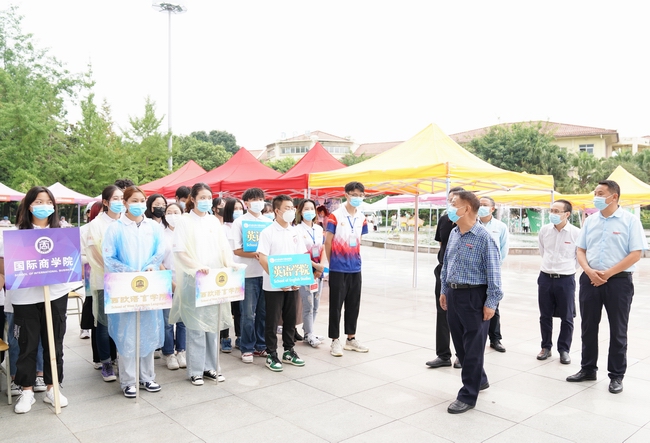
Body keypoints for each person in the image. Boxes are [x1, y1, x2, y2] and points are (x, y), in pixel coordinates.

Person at [567, 180, 647, 394]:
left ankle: (616, 375)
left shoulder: (630, 221)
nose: (596, 197)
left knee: (618, 330)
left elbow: (636, 254)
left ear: (614, 197)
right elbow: (580, 250)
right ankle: (588, 369)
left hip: (619, 282)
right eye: (595, 193)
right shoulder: (590, 220)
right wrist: (589, 271)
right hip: (590, 280)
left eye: (600, 193)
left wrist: (608, 273)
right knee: (588, 327)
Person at [0, 187, 72, 413]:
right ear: (29, 205)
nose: (44, 206)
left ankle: (53, 387)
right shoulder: (15, 234)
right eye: (38, 202)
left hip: (56, 294)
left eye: (48, 202)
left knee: (54, 343)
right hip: (25, 298)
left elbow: (71, 262)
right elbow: (4, 266)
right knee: (27, 344)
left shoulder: (62, 233)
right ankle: (27, 390)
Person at [439, 190, 502, 414]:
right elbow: (447, 263)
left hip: (475, 296)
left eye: (453, 203)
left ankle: (468, 395)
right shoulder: (455, 233)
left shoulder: (485, 238)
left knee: (473, 348)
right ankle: (480, 379)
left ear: (466, 209)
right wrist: (444, 289)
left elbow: (494, 274)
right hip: (454, 294)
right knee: (461, 346)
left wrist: (491, 303)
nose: (449, 207)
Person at [170, 183, 239, 385]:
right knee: (196, 326)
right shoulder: (184, 221)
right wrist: (197, 267)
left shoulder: (213, 221)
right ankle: (195, 370)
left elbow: (224, 248)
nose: (206, 201)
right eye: (202, 197)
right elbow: (180, 252)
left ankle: (212, 367)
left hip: (214, 281)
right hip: (194, 280)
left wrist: (230, 264)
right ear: (192, 199)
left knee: (213, 325)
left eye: (209, 197)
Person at [103, 185, 165, 398]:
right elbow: (109, 257)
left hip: (149, 284)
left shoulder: (153, 227)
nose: (139, 204)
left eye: (142, 200)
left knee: (148, 330)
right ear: (125, 203)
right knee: (127, 333)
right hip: (124, 286)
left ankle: (147, 377)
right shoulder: (116, 228)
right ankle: (128, 380)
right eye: (134, 201)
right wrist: (129, 272)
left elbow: (160, 251)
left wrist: (150, 266)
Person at [257, 195, 308, 371]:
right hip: (273, 286)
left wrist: (298, 279)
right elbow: (262, 258)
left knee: (290, 318)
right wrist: (278, 279)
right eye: (287, 208)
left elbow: (300, 257)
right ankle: (271, 353)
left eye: (292, 208)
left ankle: (288, 350)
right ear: (277, 211)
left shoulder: (295, 231)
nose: (291, 211)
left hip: (292, 284)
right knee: (272, 321)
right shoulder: (267, 232)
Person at [325, 181, 369, 357]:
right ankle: (335, 340)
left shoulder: (362, 217)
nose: (357, 197)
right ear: (346, 195)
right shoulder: (335, 216)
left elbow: (359, 241)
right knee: (336, 305)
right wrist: (332, 263)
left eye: (360, 195)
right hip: (338, 268)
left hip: (355, 267)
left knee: (353, 304)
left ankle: (351, 338)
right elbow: (328, 242)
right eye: (354, 194)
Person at [86, 185, 124, 382]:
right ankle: (106, 362)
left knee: (121, 322)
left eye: (122, 198)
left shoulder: (126, 222)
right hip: (104, 280)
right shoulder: (97, 224)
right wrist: (114, 270)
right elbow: (95, 253)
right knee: (103, 323)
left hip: (126, 281)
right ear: (106, 202)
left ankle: (118, 358)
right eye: (115, 198)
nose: (119, 202)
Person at [536, 199, 580, 364]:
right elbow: (543, 251)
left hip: (566, 279)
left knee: (567, 317)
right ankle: (545, 347)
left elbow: (579, 257)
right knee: (545, 315)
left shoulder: (576, 233)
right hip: (545, 277)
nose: (552, 214)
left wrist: (567, 269)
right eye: (552, 210)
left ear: (567, 214)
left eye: (556, 211)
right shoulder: (545, 230)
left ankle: (564, 350)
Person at [426, 187, 465, 369]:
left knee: (461, 315)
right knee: (442, 312)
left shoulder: (469, 222)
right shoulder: (444, 220)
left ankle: (462, 354)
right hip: (443, 270)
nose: (451, 204)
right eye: (449, 200)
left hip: (463, 274)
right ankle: (443, 355)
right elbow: (442, 244)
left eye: (454, 201)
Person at [232, 188, 271, 363]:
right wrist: (256, 254)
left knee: (263, 312)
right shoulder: (239, 222)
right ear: (246, 203)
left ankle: (260, 346)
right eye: (254, 199)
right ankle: (247, 347)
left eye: (261, 199)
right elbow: (237, 250)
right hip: (248, 274)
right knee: (248, 314)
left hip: (265, 273)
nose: (258, 202)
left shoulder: (268, 222)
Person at [478, 196, 508, 353]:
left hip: (492, 272)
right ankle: (476, 340)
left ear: (492, 208)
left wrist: (494, 268)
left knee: (493, 305)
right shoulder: (472, 223)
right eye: (479, 204)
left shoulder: (500, 227)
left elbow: (503, 249)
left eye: (484, 204)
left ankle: (495, 339)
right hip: (474, 273)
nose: (481, 207)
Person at [296, 199, 327, 347]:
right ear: (300, 212)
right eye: (306, 209)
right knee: (308, 305)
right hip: (305, 271)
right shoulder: (297, 230)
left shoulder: (319, 229)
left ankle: (309, 332)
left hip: (318, 271)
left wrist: (321, 267)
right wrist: (315, 267)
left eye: (311, 209)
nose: (309, 211)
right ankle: (309, 334)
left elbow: (323, 248)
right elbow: (300, 253)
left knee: (316, 305)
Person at [160, 202, 187, 370]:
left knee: (183, 320)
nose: (172, 215)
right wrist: (171, 283)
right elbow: (159, 261)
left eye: (176, 212)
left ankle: (181, 351)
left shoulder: (187, 234)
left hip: (185, 282)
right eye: (169, 212)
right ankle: (169, 353)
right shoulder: (161, 234)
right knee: (168, 321)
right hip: (166, 282)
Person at [144, 193, 168, 359]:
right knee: (151, 312)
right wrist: (160, 268)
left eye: (163, 204)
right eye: (157, 204)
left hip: (166, 274)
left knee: (164, 315)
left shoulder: (166, 226)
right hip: (154, 273)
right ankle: (151, 345)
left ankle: (160, 344)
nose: (161, 207)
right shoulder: (147, 226)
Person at [219, 198, 244, 352]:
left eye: (240, 208)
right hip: (227, 272)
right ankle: (225, 337)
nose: (238, 211)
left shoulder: (243, 226)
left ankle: (240, 336)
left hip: (241, 271)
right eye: (235, 208)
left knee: (239, 308)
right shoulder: (222, 228)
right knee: (226, 307)